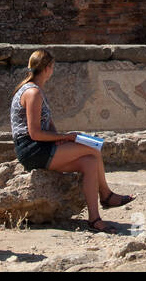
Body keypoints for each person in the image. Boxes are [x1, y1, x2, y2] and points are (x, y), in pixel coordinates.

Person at [10, 49, 134, 232]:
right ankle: (106, 195)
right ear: (46, 69)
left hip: (42, 146)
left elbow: (48, 125)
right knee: (92, 148)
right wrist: (65, 137)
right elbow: (34, 133)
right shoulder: (32, 93)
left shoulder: (38, 91)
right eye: (52, 67)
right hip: (32, 149)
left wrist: (59, 139)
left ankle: (94, 219)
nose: (53, 71)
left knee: (90, 162)